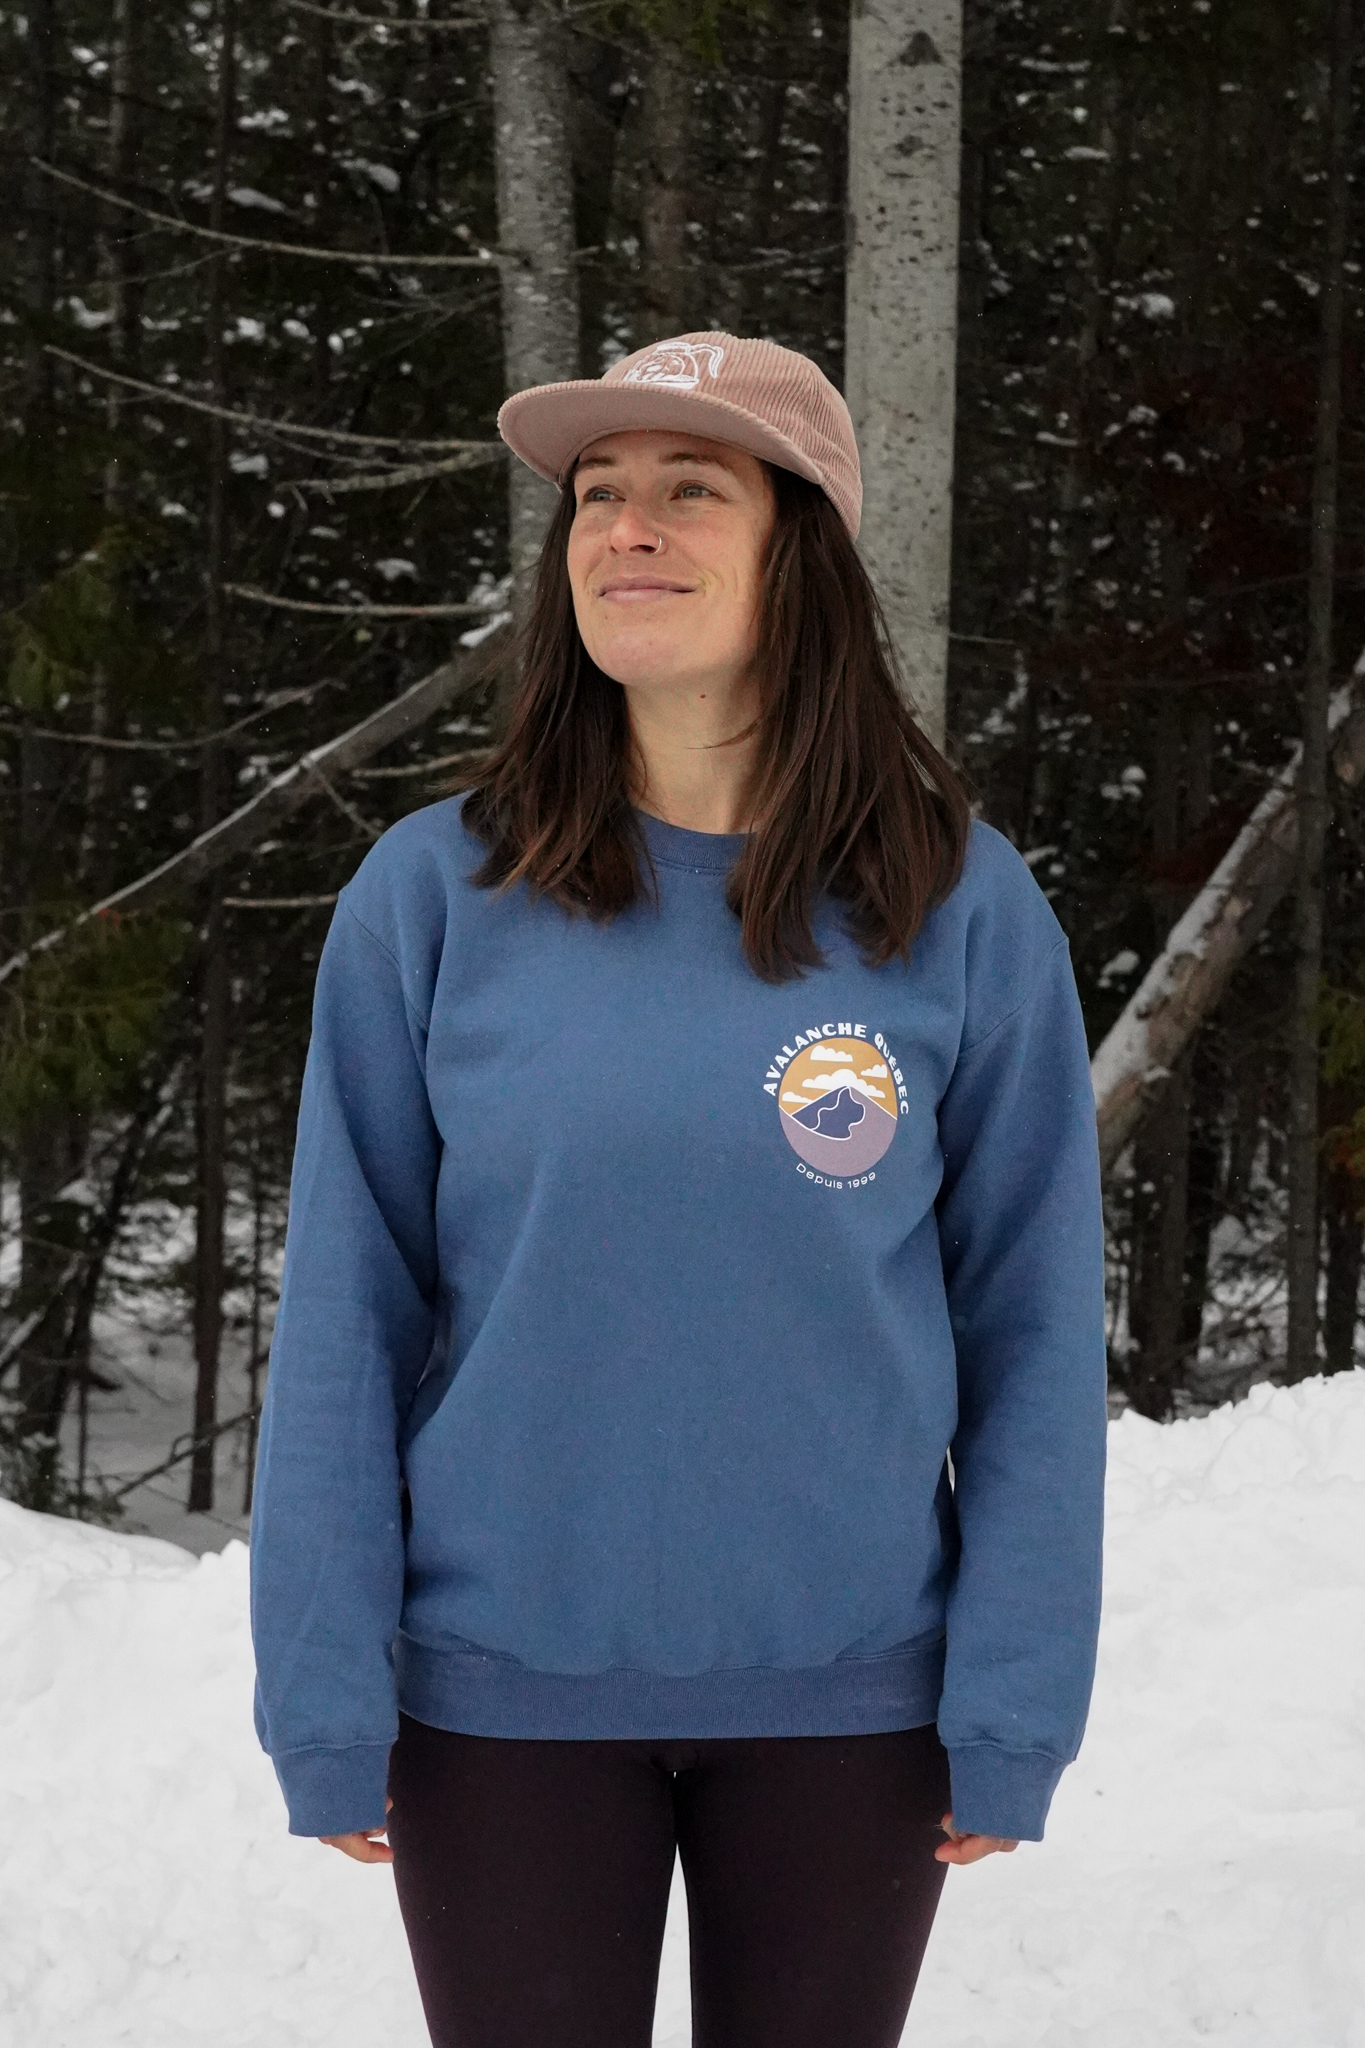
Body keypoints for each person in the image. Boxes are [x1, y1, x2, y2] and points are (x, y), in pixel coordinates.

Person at [249, 331, 1108, 2048]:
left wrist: (1012, 1700)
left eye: (690, 489)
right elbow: (346, 1312)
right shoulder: (435, 896)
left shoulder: (955, 903)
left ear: (803, 553)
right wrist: (325, 1688)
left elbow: (1028, 1332)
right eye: (597, 494)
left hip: (852, 1708)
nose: (626, 527)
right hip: (497, 1707)